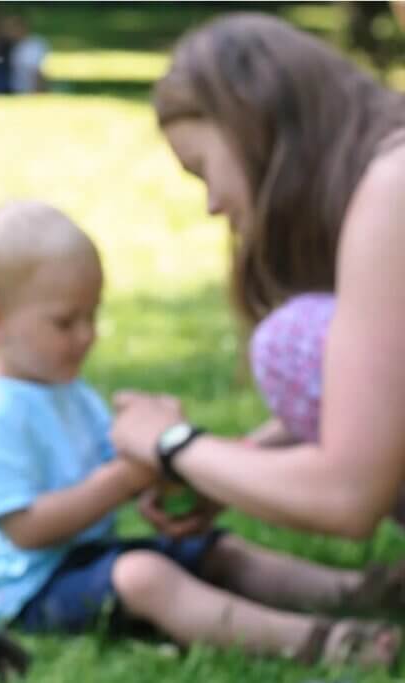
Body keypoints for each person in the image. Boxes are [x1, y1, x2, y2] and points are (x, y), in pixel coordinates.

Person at [0, 199, 403, 667]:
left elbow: (116, 461)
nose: (87, 336)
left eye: (92, 316)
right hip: (27, 591)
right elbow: (26, 529)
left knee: (217, 549)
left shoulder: (68, 390)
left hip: (88, 555)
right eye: (65, 322)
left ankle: (360, 591)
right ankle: (317, 641)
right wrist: (126, 477)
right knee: (146, 577)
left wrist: (164, 473)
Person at [108, 13, 405, 541]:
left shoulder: (393, 190)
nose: (212, 205)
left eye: (202, 167)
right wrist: (233, 466)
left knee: (295, 342)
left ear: (250, 123)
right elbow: (379, 397)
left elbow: (348, 493)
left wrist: (172, 443)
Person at [4, 15, 49, 94]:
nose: (7, 32)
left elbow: (35, 73)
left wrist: (37, 92)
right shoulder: (14, 45)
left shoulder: (34, 45)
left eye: (11, 28)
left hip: (27, 91)